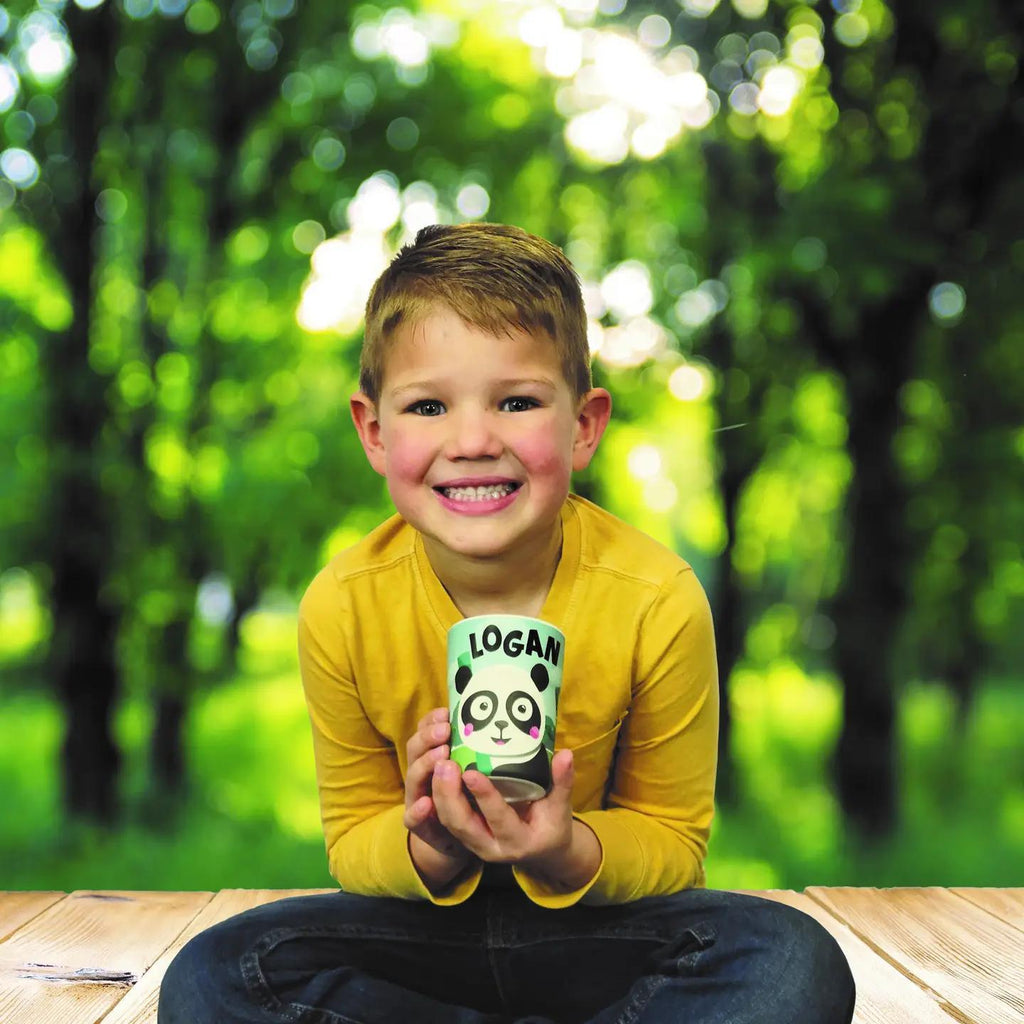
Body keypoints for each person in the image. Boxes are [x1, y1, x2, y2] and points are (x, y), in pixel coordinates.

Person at [158, 223, 856, 1023]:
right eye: (428, 406)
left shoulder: (656, 598)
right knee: (214, 976)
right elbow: (352, 841)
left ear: (583, 425)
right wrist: (428, 841)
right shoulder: (343, 604)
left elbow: (672, 840)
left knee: (791, 961)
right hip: (423, 939)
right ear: (375, 432)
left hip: (596, 933)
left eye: (517, 402)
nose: (473, 442)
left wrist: (566, 849)